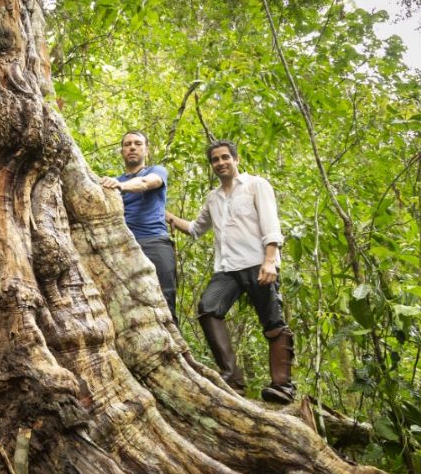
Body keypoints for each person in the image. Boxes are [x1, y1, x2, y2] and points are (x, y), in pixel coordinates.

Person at [166, 140, 295, 404]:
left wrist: (270, 261)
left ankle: (282, 386)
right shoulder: (213, 198)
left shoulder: (255, 185)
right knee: (208, 308)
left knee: (272, 323)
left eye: (226, 157)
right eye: (215, 159)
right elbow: (194, 228)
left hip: (257, 262)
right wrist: (165, 215)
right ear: (212, 165)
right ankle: (233, 378)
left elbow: (271, 224)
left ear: (236, 159)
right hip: (227, 268)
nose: (221, 162)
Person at [101, 131, 177, 323]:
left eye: (137, 144)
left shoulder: (156, 171)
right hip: (123, 247)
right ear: (122, 151)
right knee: (128, 305)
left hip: (154, 243)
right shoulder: (115, 181)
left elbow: (147, 183)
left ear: (146, 150)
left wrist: (120, 186)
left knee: (165, 301)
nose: (132, 147)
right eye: (127, 144)